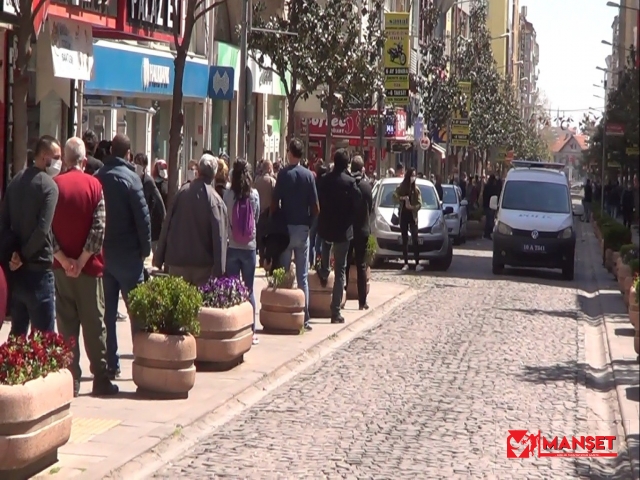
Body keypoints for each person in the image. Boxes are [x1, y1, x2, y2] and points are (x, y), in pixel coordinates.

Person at [51, 137, 118, 397]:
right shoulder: (94, 186)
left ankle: (72, 380)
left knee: (66, 324)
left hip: (61, 269)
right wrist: (81, 260)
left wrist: (64, 259)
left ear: (65, 160)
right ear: (85, 160)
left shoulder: (54, 187)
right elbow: (99, 227)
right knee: (95, 323)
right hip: (89, 270)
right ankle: (100, 379)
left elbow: (48, 228)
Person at [94, 134, 151, 379]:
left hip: (104, 254)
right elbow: (143, 218)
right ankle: (142, 358)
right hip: (129, 255)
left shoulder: (97, 178)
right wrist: (145, 250)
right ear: (128, 154)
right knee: (136, 311)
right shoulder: (132, 180)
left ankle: (111, 363)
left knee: (107, 314)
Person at [0, 135, 59, 335]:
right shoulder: (49, 186)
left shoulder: (15, 181)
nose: (60, 162)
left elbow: (3, 222)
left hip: (16, 274)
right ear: (44, 157)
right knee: (45, 340)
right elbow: (43, 228)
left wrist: (15, 254)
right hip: (39, 270)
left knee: (17, 336)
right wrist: (23, 256)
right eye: (56, 157)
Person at [154, 154, 228, 286]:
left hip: (177, 262)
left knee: (178, 305)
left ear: (198, 171)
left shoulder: (182, 192)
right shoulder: (216, 201)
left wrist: (159, 258)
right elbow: (219, 237)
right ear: (214, 175)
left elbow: (167, 225)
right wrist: (219, 270)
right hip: (203, 267)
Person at [271, 138, 319, 331]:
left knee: (283, 274)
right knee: (303, 276)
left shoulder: (283, 174)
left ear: (290, 152)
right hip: (302, 229)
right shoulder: (308, 176)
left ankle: (283, 315)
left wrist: (275, 218)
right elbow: (316, 207)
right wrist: (309, 225)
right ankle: (304, 317)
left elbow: (274, 203)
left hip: (285, 229)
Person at [316, 149, 361, 323]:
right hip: (343, 231)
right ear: (347, 164)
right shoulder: (350, 183)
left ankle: (324, 270)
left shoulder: (324, 180)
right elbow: (357, 205)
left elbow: (317, 199)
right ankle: (335, 311)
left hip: (326, 227)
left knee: (326, 247)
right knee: (341, 270)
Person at [224, 158, 260, 345]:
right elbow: (257, 217)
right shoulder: (254, 195)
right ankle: (252, 331)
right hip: (249, 247)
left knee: (231, 289)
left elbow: (225, 217)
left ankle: (233, 328)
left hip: (232, 246)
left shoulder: (228, 195)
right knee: (249, 289)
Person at [345, 155, 373, 310]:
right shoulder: (366, 186)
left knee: (345, 264)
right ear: (362, 169)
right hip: (362, 229)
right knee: (361, 265)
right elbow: (370, 206)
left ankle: (342, 296)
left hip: (349, 229)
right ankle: (362, 302)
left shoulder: (348, 184)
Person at [133, 153, 166, 253]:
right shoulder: (130, 178)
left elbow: (158, 198)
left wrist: (164, 217)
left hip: (143, 216)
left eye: (140, 164)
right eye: (136, 163)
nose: (137, 166)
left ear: (144, 166)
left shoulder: (148, 181)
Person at [394, 168, 423, 272]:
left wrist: (412, 207)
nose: (413, 178)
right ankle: (405, 262)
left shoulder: (416, 189)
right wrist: (402, 198)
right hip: (404, 216)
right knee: (405, 240)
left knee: (415, 239)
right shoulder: (402, 187)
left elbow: (420, 204)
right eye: (412, 175)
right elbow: (394, 196)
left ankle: (417, 263)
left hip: (412, 217)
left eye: (414, 176)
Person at [253, 160, 276, 261]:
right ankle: (268, 258)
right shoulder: (272, 181)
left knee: (260, 237)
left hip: (259, 213)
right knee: (269, 238)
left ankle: (261, 257)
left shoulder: (257, 182)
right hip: (269, 214)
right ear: (270, 169)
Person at [482, 174, 499, 240]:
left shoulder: (487, 186)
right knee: (490, 220)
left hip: (487, 205)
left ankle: (487, 233)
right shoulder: (492, 187)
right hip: (491, 205)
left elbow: (484, 195)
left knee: (488, 220)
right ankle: (487, 233)